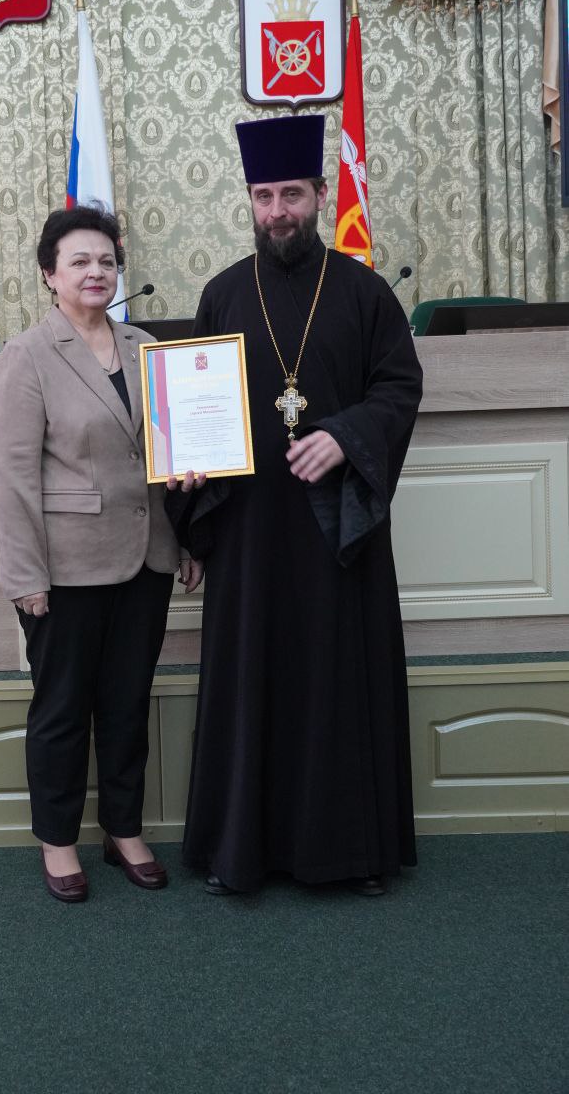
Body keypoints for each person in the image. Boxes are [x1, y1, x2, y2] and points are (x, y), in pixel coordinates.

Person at [170, 113, 423, 897]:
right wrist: (187, 479)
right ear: (249, 201)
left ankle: (351, 853)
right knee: (251, 681)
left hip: (336, 527)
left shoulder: (365, 292)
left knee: (336, 682)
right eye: (263, 196)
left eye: (291, 194)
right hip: (248, 529)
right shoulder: (221, 295)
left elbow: (399, 388)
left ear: (320, 195)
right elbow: (192, 409)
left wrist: (344, 437)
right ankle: (239, 852)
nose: (277, 211)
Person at [0, 204, 197, 903]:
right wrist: (25, 575)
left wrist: (186, 537)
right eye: (79, 260)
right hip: (64, 567)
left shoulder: (146, 347)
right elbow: (12, 473)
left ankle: (123, 830)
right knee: (62, 711)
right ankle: (57, 842)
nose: (95, 271)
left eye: (106, 260)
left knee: (126, 704)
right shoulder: (29, 354)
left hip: (148, 556)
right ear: (50, 274)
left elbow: (168, 455)